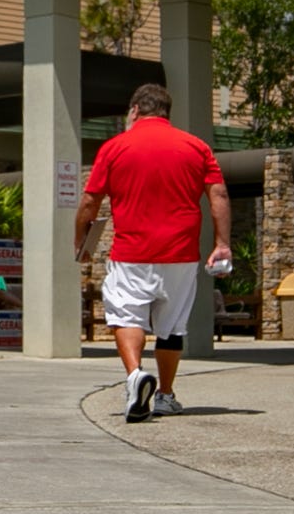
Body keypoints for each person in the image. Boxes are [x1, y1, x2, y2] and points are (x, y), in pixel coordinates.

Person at [74, 84, 232, 421]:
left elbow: (90, 201)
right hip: (181, 254)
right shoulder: (196, 147)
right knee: (171, 327)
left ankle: (135, 376)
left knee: (126, 317)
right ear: (166, 112)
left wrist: (81, 242)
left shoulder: (114, 148)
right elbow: (218, 193)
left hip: (131, 252)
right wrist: (221, 243)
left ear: (134, 111)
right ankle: (165, 395)